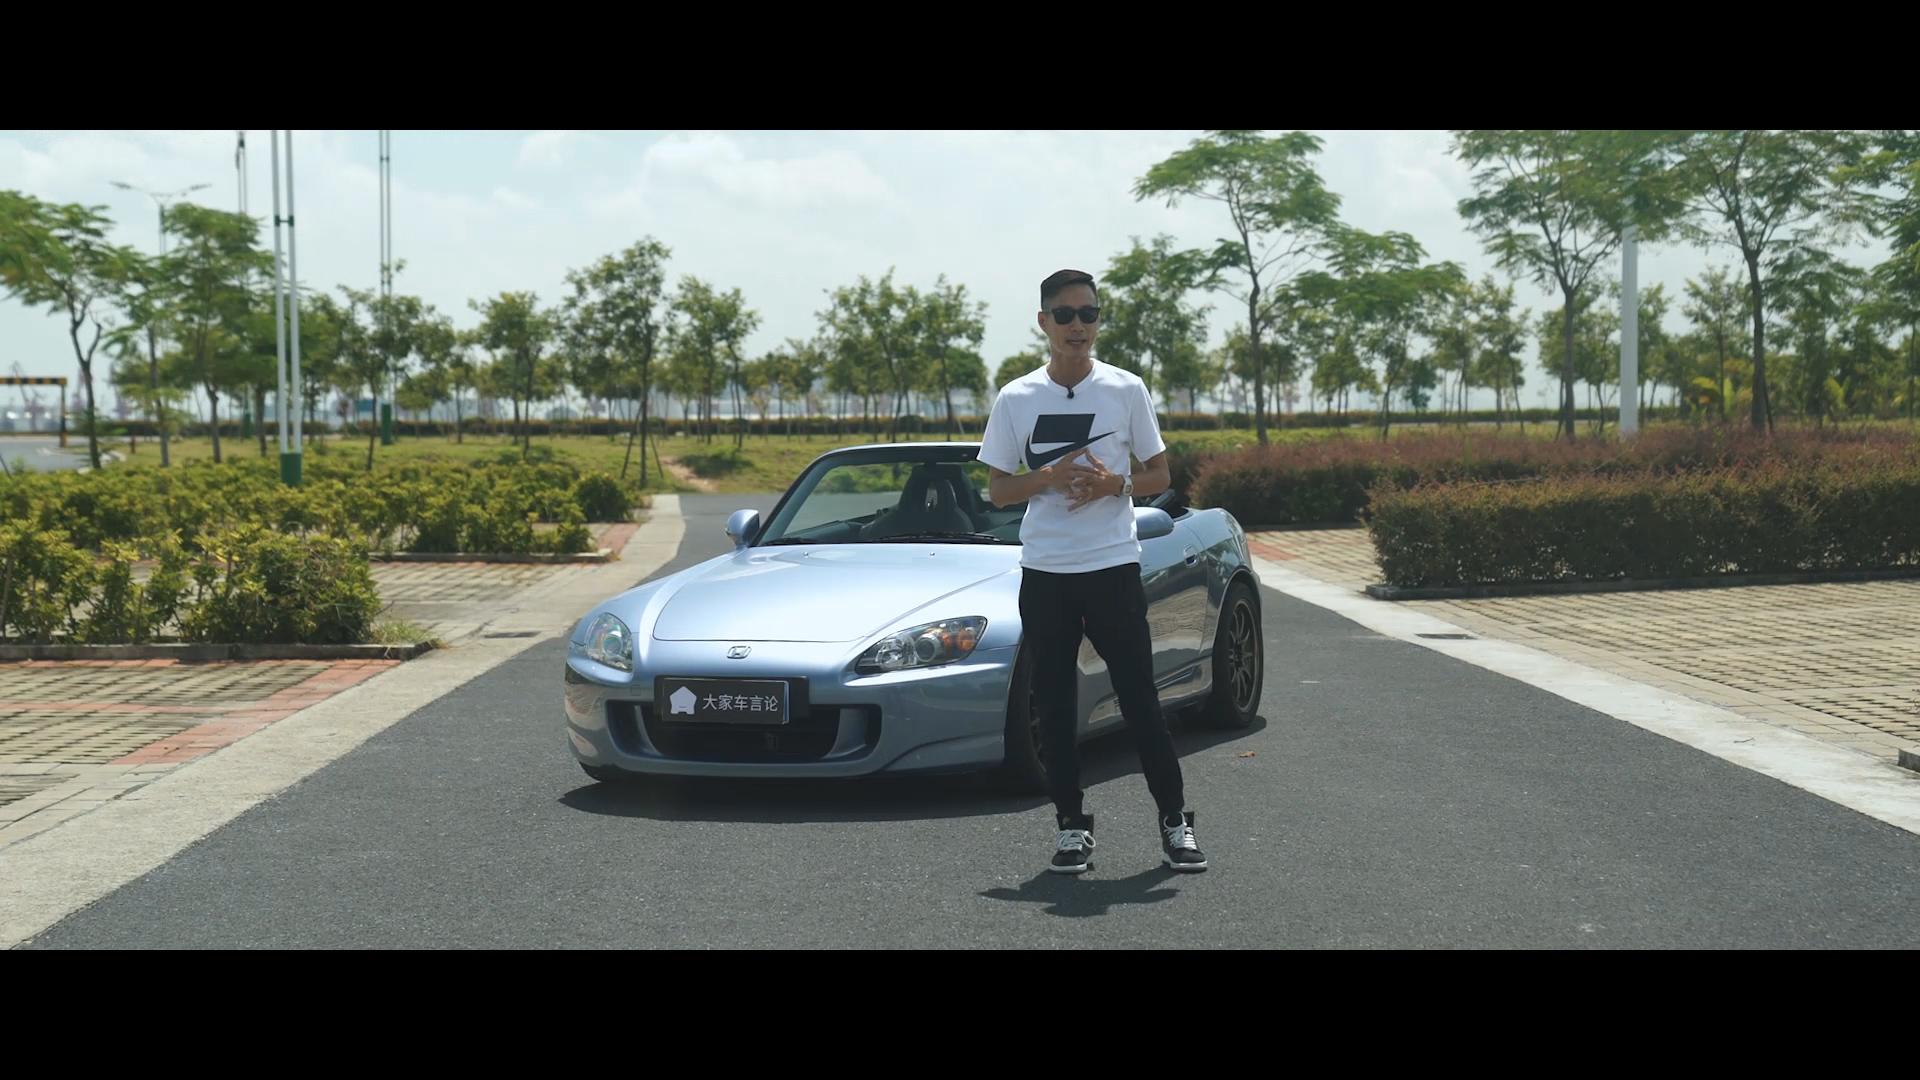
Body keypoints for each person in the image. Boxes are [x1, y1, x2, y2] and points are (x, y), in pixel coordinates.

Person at [978, 268, 1206, 875]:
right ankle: (1072, 827)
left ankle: (1176, 822)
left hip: (1111, 567)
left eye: (1089, 314)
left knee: (1140, 699)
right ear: (1044, 322)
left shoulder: (1125, 389)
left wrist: (1115, 486)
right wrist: (1048, 477)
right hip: (1046, 571)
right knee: (1054, 706)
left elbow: (1159, 475)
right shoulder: (1017, 397)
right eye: (1065, 315)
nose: (1078, 326)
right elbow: (999, 490)